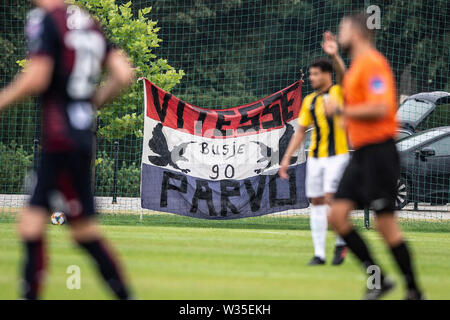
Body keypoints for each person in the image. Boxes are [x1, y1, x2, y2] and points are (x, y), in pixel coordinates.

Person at [0, 0, 134, 299]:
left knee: (56, 228)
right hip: (81, 135)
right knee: (48, 226)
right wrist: (91, 103)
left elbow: (36, 78)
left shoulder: (44, 19)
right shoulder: (88, 21)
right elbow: (124, 73)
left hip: (57, 137)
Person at [324, 12, 424, 300]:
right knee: (337, 216)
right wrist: (334, 58)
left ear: (356, 32)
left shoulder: (373, 63)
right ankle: (378, 279)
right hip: (361, 154)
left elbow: (381, 108)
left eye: (343, 28)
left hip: (380, 152)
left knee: (385, 225)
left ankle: (414, 291)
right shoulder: (357, 66)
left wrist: (341, 111)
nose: (339, 33)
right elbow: (350, 88)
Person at [279, 32, 349, 266]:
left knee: (332, 200)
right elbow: (300, 131)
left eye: (316, 74)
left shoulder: (338, 93)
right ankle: (319, 254)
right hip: (316, 158)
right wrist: (287, 158)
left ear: (327, 76)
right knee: (317, 202)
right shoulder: (309, 101)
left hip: (337, 156)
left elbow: (344, 76)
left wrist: (335, 55)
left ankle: (341, 244)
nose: (311, 77)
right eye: (310, 74)